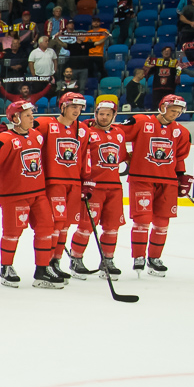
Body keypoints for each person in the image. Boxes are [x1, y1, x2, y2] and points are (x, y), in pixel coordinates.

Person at [0, 100, 64, 289]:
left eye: (32, 115)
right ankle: (6, 267)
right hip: (15, 195)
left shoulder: (37, 136)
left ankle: (42, 269)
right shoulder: (5, 139)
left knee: (46, 228)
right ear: (16, 118)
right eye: (28, 116)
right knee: (12, 232)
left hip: (38, 192)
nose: (32, 119)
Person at [121, 94, 192, 276]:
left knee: (162, 222)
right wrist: (125, 156)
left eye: (178, 111)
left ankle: (154, 258)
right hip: (142, 179)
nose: (175, 114)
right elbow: (117, 135)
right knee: (142, 220)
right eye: (172, 110)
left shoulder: (182, 132)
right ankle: (139, 256)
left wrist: (181, 177)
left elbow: (179, 157)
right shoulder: (141, 122)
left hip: (167, 181)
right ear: (162, 107)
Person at [66, 99, 129, 278]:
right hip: (93, 187)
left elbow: (121, 156)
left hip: (114, 187)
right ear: (95, 114)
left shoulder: (119, 133)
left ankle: (108, 260)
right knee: (86, 226)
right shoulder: (87, 132)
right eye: (101, 114)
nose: (104, 117)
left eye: (108, 114)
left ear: (114, 115)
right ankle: (76, 259)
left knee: (112, 227)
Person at [33, 91, 88, 278]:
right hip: (54, 182)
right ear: (63, 107)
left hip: (74, 183)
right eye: (73, 106)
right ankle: (46, 262)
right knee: (55, 224)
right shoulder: (45, 124)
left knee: (65, 225)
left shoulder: (82, 130)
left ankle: (56, 262)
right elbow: (26, 135)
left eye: (79, 107)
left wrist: (86, 181)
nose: (77, 110)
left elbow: (84, 156)